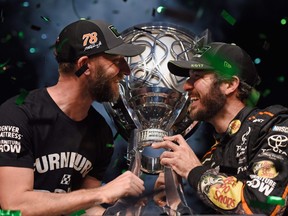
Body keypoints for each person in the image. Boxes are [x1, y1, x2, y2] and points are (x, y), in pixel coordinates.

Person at [0, 19, 146, 215]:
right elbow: (15, 205)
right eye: (116, 61)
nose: (126, 72)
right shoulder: (18, 114)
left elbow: (83, 207)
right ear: (85, 65)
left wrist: (116, 213)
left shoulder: (100, 131)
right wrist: (103, 192)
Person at [152, 42, 288, 215]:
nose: (186, 86)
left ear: (230, 85)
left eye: (197, 76)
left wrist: (194, 171)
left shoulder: (276, 127)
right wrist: (175, 203)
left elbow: (258, 208)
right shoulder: (211, 159)